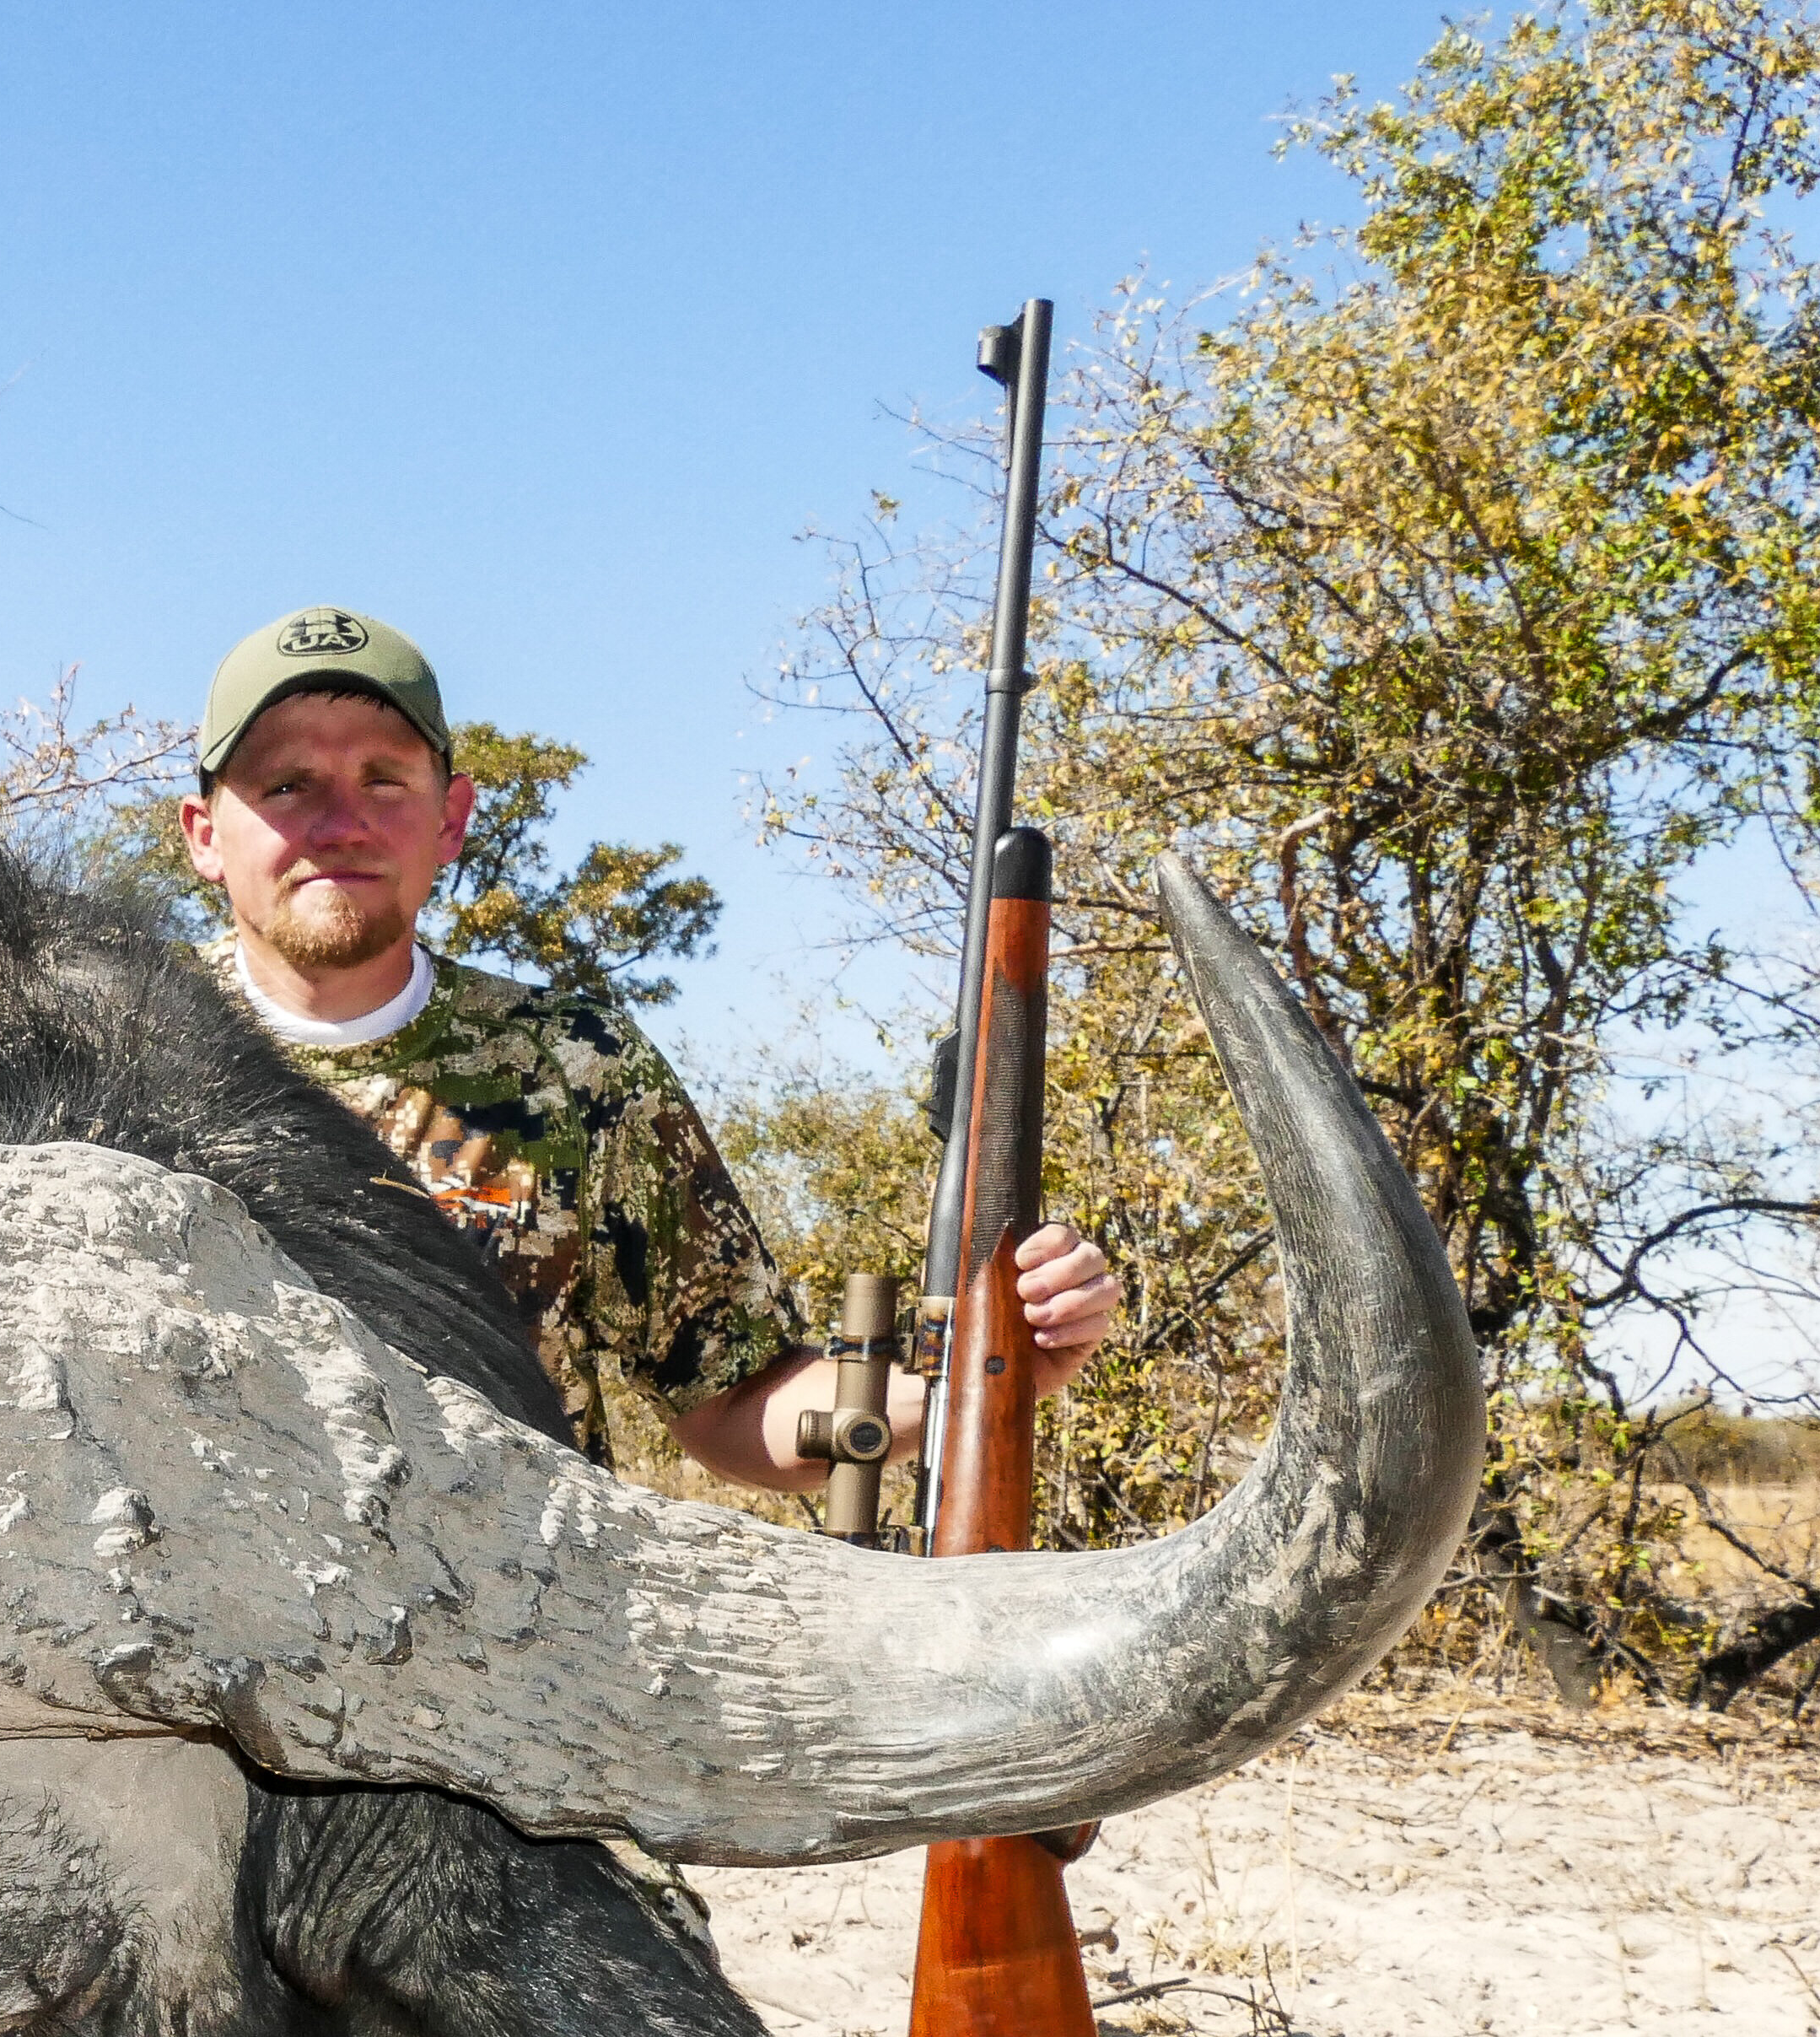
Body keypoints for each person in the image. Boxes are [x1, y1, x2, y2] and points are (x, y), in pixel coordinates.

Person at [179, 603, 1119, 1482]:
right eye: (286, 785)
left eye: (384, 777)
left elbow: (735, 1401)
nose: (340, 822)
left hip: (512, 1635)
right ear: (205, 835)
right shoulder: (110, 1041)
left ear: (451, 819)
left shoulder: (577, 1063)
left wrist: (987, 1378)